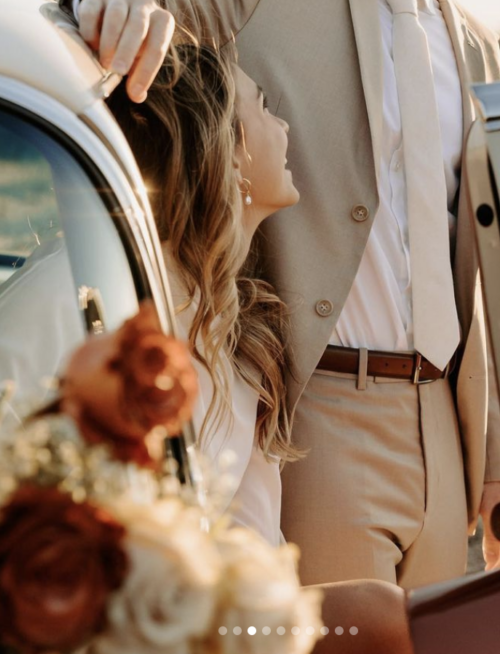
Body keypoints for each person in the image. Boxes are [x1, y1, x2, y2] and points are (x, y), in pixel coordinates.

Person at [54, 0, 500, 588]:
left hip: (445, 419)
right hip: (317, 404)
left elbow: (480, 268)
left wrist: (496, 458)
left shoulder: (480, 45)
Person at [107, 39, 412, 653]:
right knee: (386, 617)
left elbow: (255, 543)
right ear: (228, 148)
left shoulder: (235, 332)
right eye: (263, 106)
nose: (282, 125)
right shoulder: (124, 305)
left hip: (216, 619)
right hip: (135, 620)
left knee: (392, 616)